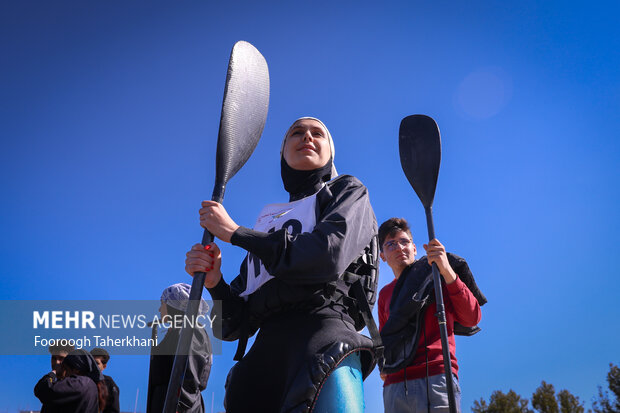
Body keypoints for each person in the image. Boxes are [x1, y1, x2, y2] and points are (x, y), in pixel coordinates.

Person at [184, 117, 379, 412]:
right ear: (283, 153)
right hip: (261, 367)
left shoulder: (347, 191)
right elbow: (232, 326)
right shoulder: (268, 225)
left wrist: (237, 233)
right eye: (296, 133)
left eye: (318, 134)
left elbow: (326, 257)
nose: (307, 137)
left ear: (330, 152)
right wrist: (216, 283)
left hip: (324, 341)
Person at [377, 217, 486, 413]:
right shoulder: (384, 295)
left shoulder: (436, 275)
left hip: (437, 375)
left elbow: (472, 317)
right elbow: (384, 338)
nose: (399, 247)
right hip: (396, 384)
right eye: (391, 244)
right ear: (382, 256)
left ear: (415, 248)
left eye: (404, 241)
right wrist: (382, 366)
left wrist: (446, 270)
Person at [146, 283, 212, 413]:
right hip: (164, 401)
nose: (159, 310)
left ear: (173, 306)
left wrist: (179, 405)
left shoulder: (190, 331)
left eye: (162, 303)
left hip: (179, 406)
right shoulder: (176, 331)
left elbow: (190, 373)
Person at [34, 348, 107, 413]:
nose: (57, 363)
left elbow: (44, 391)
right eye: (54, 358)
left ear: (76, 369)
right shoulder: (87, 384)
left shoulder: (81, 383)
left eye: (61, 359)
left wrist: (52, 373)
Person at [91, 347, 120, 413]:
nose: (93, 365)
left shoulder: (109, 383)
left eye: (96, 363)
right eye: (91, 362)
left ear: (104, 366)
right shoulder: (80, 380)